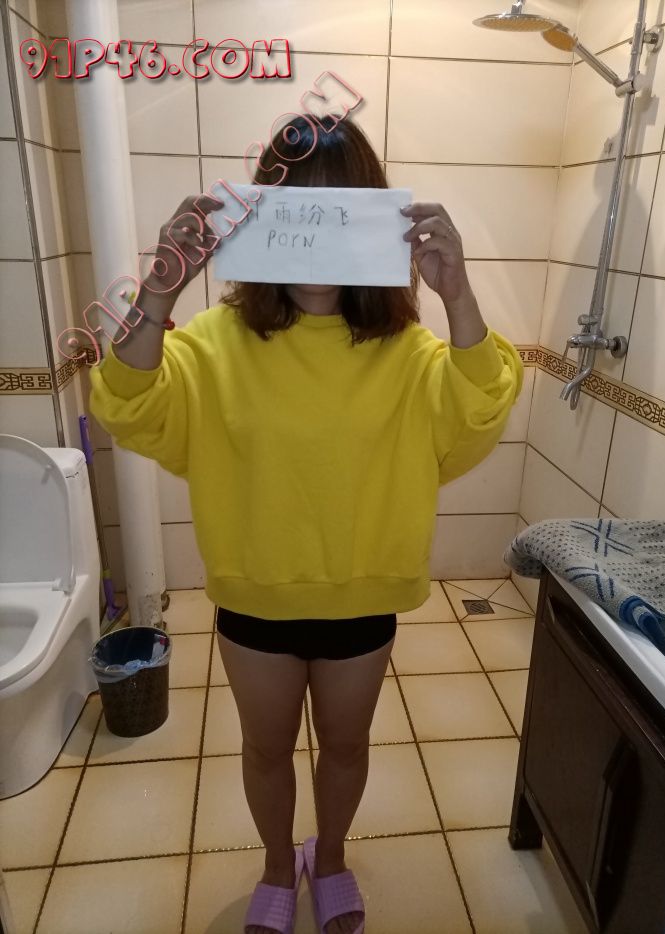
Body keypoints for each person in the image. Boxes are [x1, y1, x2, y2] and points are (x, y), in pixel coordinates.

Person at [89, 114, 523, 934]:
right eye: (299, 209)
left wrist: (459, 294)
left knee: (348, 748)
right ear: (265, 213)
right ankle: (273, 863)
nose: (318, 235)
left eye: (341, 209)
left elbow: (481, 406)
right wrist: (159, 289)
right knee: (264, 749)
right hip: (256, 599)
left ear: (374, 219)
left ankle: (329, 858)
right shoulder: (215, 344)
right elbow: (127, 404)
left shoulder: (407, 351)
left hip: (362, 599)